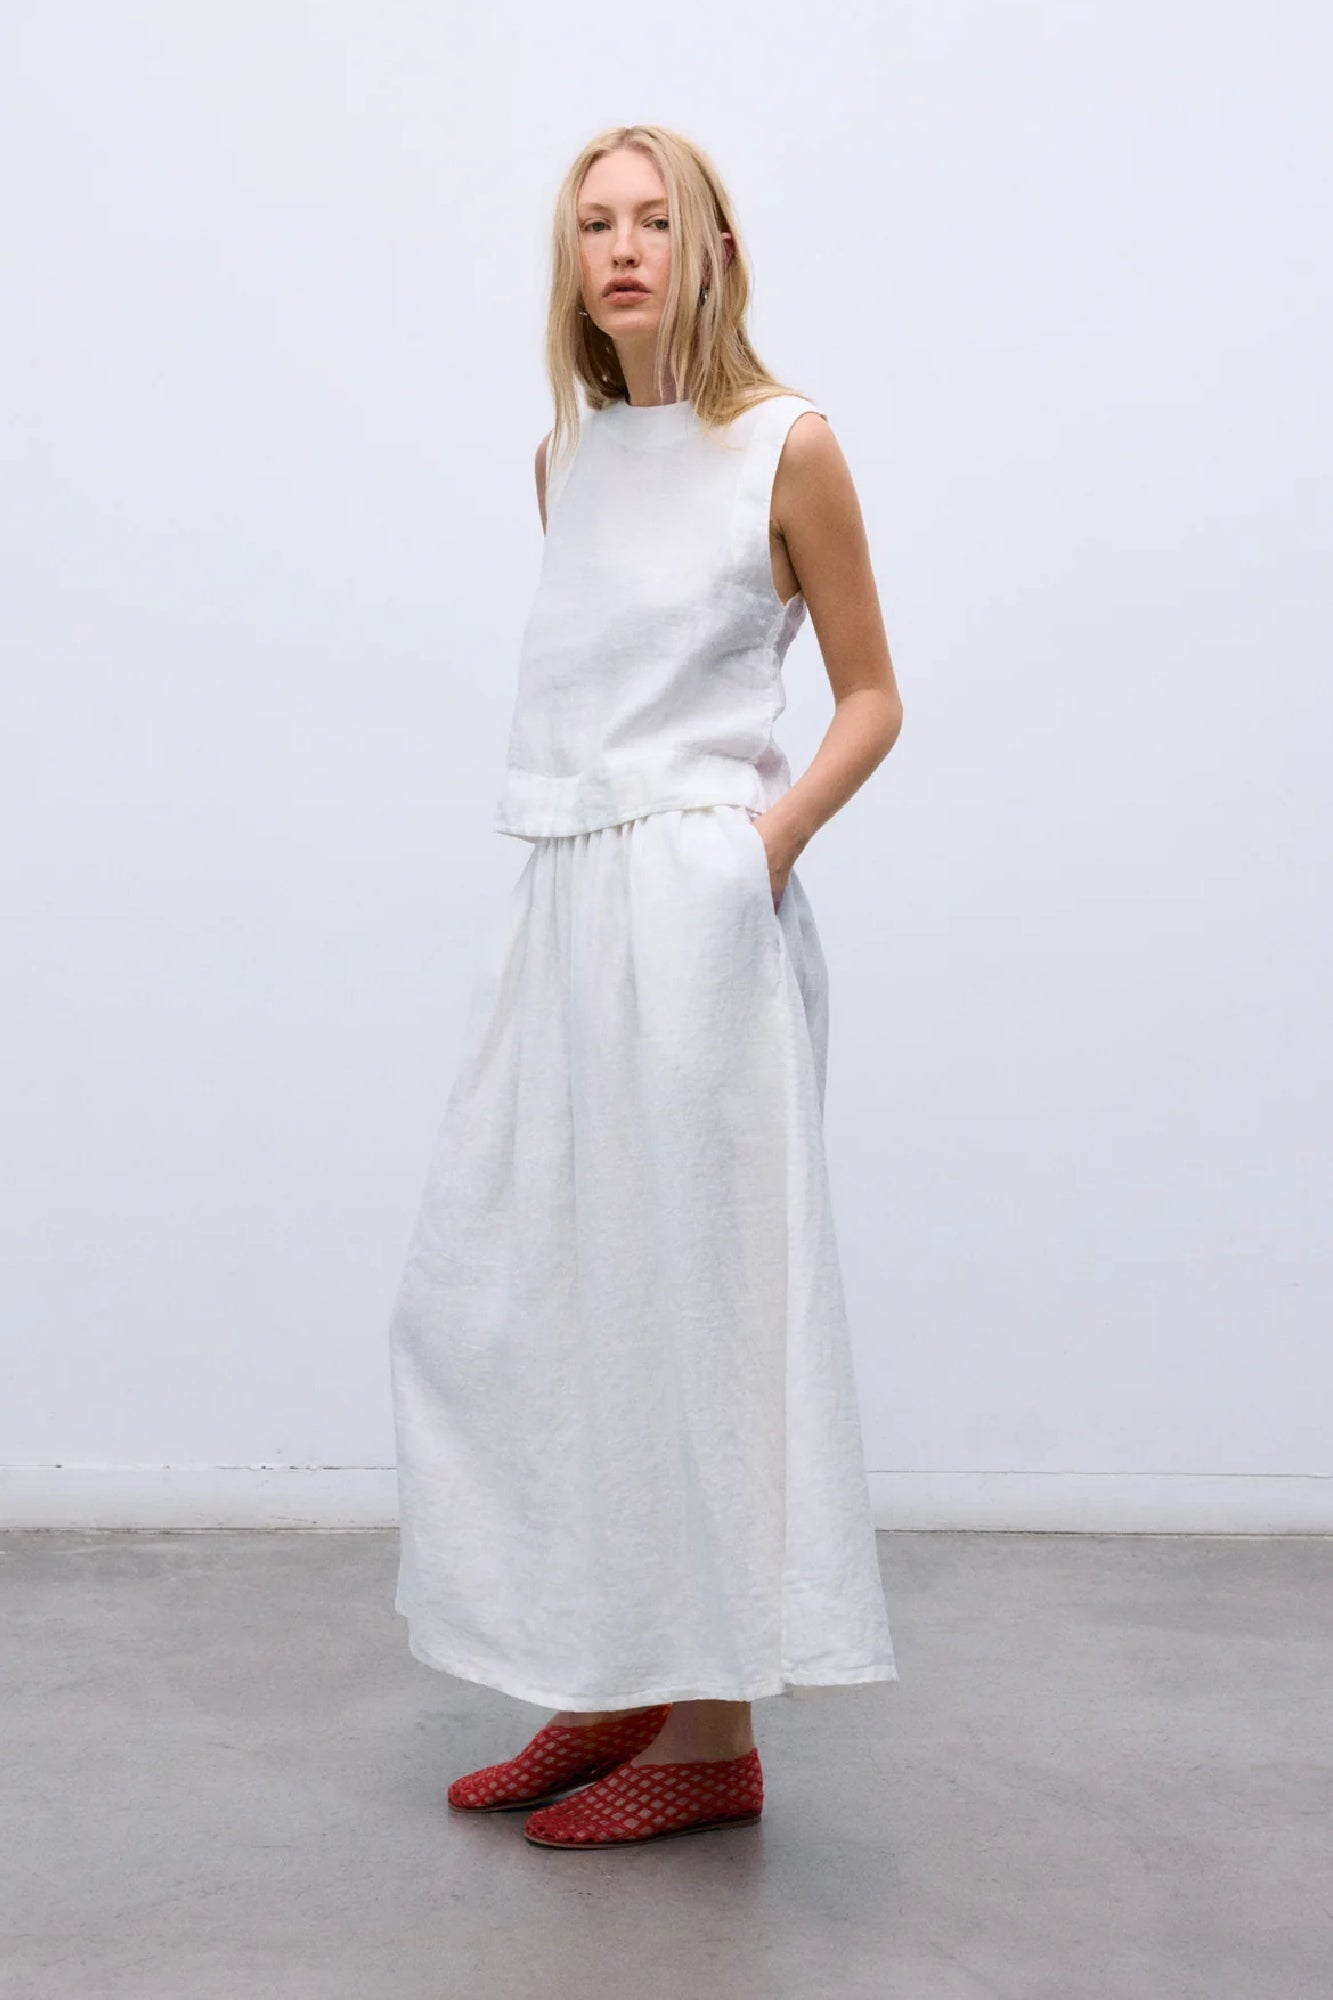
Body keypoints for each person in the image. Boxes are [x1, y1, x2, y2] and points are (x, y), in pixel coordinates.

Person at [388, 123, 904, 1852]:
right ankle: (611, 1674)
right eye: (593, 223)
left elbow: (871, 694)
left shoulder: (787, 446)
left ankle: (714, 1732)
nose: (621, 247)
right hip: (561, 905)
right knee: (548, 1296)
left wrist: (760, 849)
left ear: (711, 247)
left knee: (698, 1306)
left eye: (652, 219)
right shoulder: (565, 459)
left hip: (696, 922)